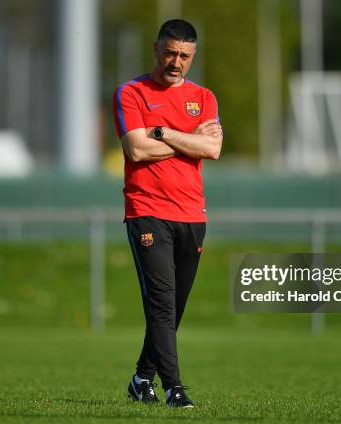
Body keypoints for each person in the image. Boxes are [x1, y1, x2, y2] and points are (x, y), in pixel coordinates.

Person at [112, 19, 223, 408]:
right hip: (147, 211)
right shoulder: (131, 93)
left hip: (193, 214)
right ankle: (174, 388)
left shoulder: (205, 97)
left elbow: (212, 150)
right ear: (155, 47)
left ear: (193, 56)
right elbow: (137, 150)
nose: (176, 62)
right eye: (171, 52)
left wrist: (162, 132)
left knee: (172, 309)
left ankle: (142, 378)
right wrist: (189, 139)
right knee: (161, 302)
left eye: (185, 56)